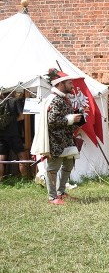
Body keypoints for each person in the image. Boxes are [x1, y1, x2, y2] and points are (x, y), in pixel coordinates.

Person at [30, 69, 85, 204]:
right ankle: (52, 197)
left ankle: (61, 193)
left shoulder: (63, 99)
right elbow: (53, 121)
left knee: (68, 165)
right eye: (69, 83)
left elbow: (63, 120)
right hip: (55, 141)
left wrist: (77, 120)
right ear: (61, 84)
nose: (72, 85)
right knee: (52, 169)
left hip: (65, 140)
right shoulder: (55, 100)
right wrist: (71, 119)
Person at [0, 91, 30, 180]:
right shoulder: (15, 101)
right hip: (14, 134)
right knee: (22, 157)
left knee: (1, 158)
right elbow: (22, 117)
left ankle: (0, 179)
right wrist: (12, 122)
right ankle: (25, 179)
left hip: (1, 134)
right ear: (12, 92)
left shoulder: (1, 102)